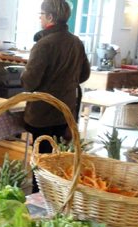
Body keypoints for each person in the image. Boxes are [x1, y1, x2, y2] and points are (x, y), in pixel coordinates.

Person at [21, 0, 91, 192]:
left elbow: (29, 81)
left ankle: (39, 198)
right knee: (57, 157)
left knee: (41, 160)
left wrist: (23, 73)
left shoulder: (44, 44)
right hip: (66, 109)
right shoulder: (76, 42)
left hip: (42, 113)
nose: (40, 18)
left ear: (50, 17)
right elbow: (84, 74)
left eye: (41, 14)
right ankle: (55, 194)